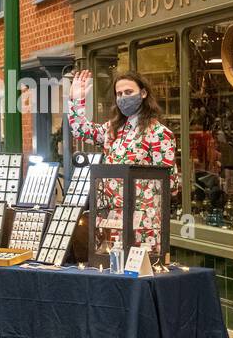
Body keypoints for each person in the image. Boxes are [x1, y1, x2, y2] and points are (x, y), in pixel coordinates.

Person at [68, 69, 179, 255]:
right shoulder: (113, 129)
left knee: (139, 275)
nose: (123, 98)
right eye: (119, 94)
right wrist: (76, 100)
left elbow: (171, 184)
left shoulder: (160, 134)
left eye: (129, 92)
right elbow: (81, 130)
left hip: (143, 223)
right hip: (110, 220)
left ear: (143, 93)